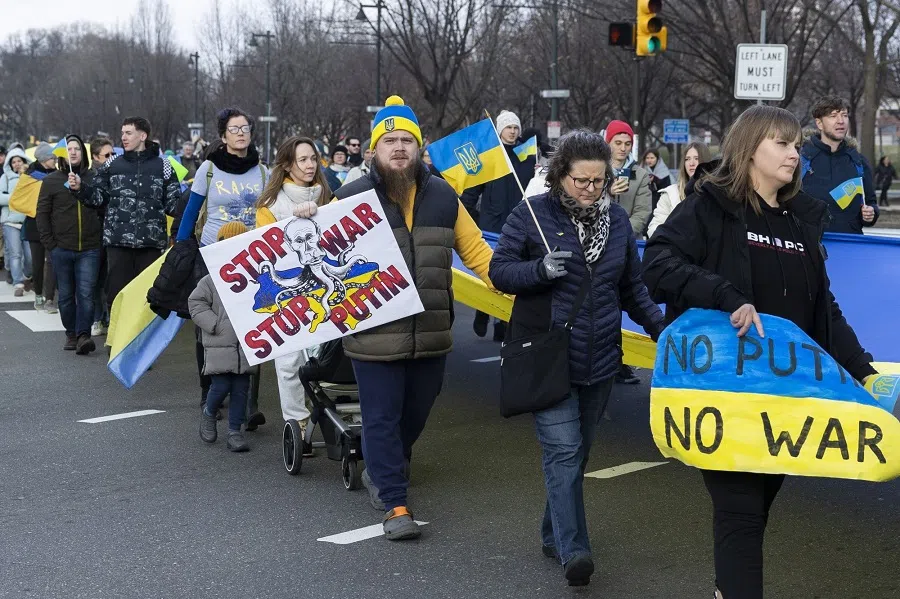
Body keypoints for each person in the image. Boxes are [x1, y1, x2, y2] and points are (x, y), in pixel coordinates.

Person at [642, 105, 877, 599]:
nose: (795, 153)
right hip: (724, 395)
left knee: (758, 506)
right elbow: (658, 265)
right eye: (782, 144)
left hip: (782, 399)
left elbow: (822, 309)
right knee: (742, 512)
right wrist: (724, 294)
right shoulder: (710, 208)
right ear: (750, 150)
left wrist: (866, 374)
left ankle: (727, 587)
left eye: (795, 145)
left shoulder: (798, 218)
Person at [313, 95, 493, 540]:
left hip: (431, 335)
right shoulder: (350, 197)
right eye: (388, 139)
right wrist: (305, 218)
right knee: (381, 416)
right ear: (374, 150)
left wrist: (527, 281)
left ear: (420, 146)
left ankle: (384, 461)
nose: (398, 147)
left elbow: (482, 259)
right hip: (373, 338)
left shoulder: (445, 197)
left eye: (406, 140)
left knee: (414, 414)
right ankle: (394, 504)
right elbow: (312, 257)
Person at [489, 129, 663, 587]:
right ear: (559, 176)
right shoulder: (531, 215)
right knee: (564, 452)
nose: (591, 190)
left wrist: (662, 330)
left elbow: (632, 288)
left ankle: (553, 533)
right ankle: (576, 551)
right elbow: (498, 270)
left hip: (602, 358)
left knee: (578, 454)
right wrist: (538, 270)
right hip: (548, 358)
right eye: (581, 181)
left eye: (599, 181)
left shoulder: (618, 223)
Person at [255, 135, 332, 455]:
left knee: (322, 352)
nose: (310, 165)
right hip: (287, 292)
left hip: (322, 289)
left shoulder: (330, 196)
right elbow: (264, 249)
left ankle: (326, 415)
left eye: (313, 158)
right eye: (303, 160)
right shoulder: (270, 205)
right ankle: (297, 422)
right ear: (287, 165)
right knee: (288, 361)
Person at [69, 117, 182, 315]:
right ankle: (115, 344)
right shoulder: (112, 164)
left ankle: (143, 345)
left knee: (146, 300)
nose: (123, 138)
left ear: (143, 136)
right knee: (116, 296)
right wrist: (80, 188)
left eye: (128, 133)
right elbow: (97, 198)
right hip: (118, 243)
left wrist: (194, 201)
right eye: (122, 133)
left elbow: (173, 204)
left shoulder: (163, 166)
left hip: (151, 244)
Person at [461, 110, 536, 342]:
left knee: (512, 274)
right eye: (508, 127)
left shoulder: (527, 155)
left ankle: (504, 321)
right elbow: (473, 189)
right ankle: (482, 312)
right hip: (491, 223)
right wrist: (464, 215)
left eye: (516, 127)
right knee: (490, 270)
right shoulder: (490, 154)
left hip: (518, 223)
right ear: (500, 130)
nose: (513, 131)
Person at [191, 221, 256, 453]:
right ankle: (209, 413)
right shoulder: (210, 280)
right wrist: (214, 324)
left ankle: (234, 432)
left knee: (240, 389)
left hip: (244, 346)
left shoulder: (252, 276)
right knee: (220, 386)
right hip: (218, 344)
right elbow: (195, 303)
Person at [36, 135, 103, 354]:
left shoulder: (94, 177)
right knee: (65, 295)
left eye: (77, 148)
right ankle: (71, 333)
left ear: (83, 153)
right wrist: (50, 244)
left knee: (86, 293)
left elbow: (103, 207)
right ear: (62, 154)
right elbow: (42, 214)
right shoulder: (51, 181)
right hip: (61, 248)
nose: (73, 152)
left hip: (90, 247)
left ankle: (83, 335)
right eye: (69, 149)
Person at [604, 120, 652, 384]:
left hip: (628, 247)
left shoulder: (641, 174)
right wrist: (606, 191)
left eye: (627, 144)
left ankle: (621, 362)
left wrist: (622, 233)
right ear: (608, 143)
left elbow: (644, 211)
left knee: (628, 302)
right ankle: (606, 360)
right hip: (599, 246)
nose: (623, 148)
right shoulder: (597, 171)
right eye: (618, 143)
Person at [800, 96, 878, 233]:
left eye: (844, 115)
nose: (840, 121)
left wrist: (870, 215)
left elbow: (871, 202)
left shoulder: (858, 161)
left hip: (849, 245)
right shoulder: (801, 159)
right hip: (807, 245)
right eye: (833, 116)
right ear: (819, 123)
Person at [647, 142, 712, 237]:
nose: (691, 163)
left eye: (696, 158)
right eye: (687, 159)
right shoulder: (670, 194)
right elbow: (654, 228)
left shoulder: (715, 193)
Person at [24, 143, 59, 312]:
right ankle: (38, 294)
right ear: (45, 159)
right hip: (33, 225)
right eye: (53, 158)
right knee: (37, 263)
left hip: (53, 225)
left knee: (52, 262)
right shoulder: (29, 176)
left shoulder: (58, 175)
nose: (56, 161)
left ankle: (50, 299)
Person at [86, 137, 115, 336]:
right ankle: (97, 318)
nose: (111, 158)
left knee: (110, 279)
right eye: (107, 155)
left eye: (113, 154)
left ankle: (109, 317)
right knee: (95, 279)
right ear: (96, 157)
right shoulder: (89, 177)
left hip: (113, 234)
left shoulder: (118, 173)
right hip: (94, 234)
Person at [1, 144, 33, 296]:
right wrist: (15, 198)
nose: (17, 164)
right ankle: (18, 283)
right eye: (13, 162)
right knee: (15, 254)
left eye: (19, 160)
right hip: (10, 222)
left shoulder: (30, 177)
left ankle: (26, 276)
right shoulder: (5, 177)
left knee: (30, 257)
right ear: (9, 164)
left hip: (27, 221)